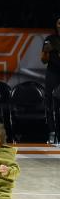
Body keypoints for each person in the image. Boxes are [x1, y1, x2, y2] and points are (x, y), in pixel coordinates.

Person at [40, 16, 60, 145]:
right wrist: (46, 53)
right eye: (59, 23)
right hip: (53, 74)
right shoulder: (50, 39)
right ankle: (52, 133)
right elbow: (43, 60)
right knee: (50, 104)